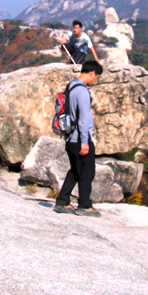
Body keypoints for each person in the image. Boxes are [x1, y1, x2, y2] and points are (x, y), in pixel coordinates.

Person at [53, 60, 103, 217]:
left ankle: (62, 201)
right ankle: (85, 205)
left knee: (75, 170)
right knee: (87, 172)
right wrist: (85, 142)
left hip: (70, 138)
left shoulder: (71, 86)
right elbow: (83, 119)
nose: (96, 81)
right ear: (92, 73)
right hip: (80, 138)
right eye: (97, 77)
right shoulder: (82, 91)